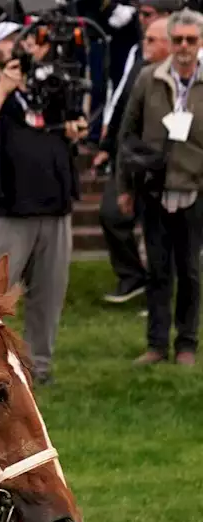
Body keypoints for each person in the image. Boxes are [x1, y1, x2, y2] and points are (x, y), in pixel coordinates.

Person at [0, 22, 84, 385]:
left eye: (24, 40)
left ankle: (38, 368)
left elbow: (66, 132)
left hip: (55, 209)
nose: (21, 46)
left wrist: (74, 128)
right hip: (4, 212)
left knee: (49, 296)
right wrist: (3, 87)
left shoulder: (45, 90)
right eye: (10, 41)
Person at [116, 9, 203, 367]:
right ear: (170, 41)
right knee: (157, 271)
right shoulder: (149, 79)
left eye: (191, 40)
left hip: (196, 190)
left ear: (200, 43)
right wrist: (125, 187)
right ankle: (155, 344)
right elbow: (128, 134)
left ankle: (186, 344)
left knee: (191, 272)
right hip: (154, 189)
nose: (184, 46)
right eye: (178, 39)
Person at [96, 0, 183, 304]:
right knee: (112, 214)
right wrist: (107, 146)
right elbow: (122, 103)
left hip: (174, 162)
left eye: (147, 15)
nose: (141, 22)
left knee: (165, 233)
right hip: (133, 156)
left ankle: (165, 299)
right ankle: (133, 278)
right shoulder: (138, 55)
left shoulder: (190, 65)